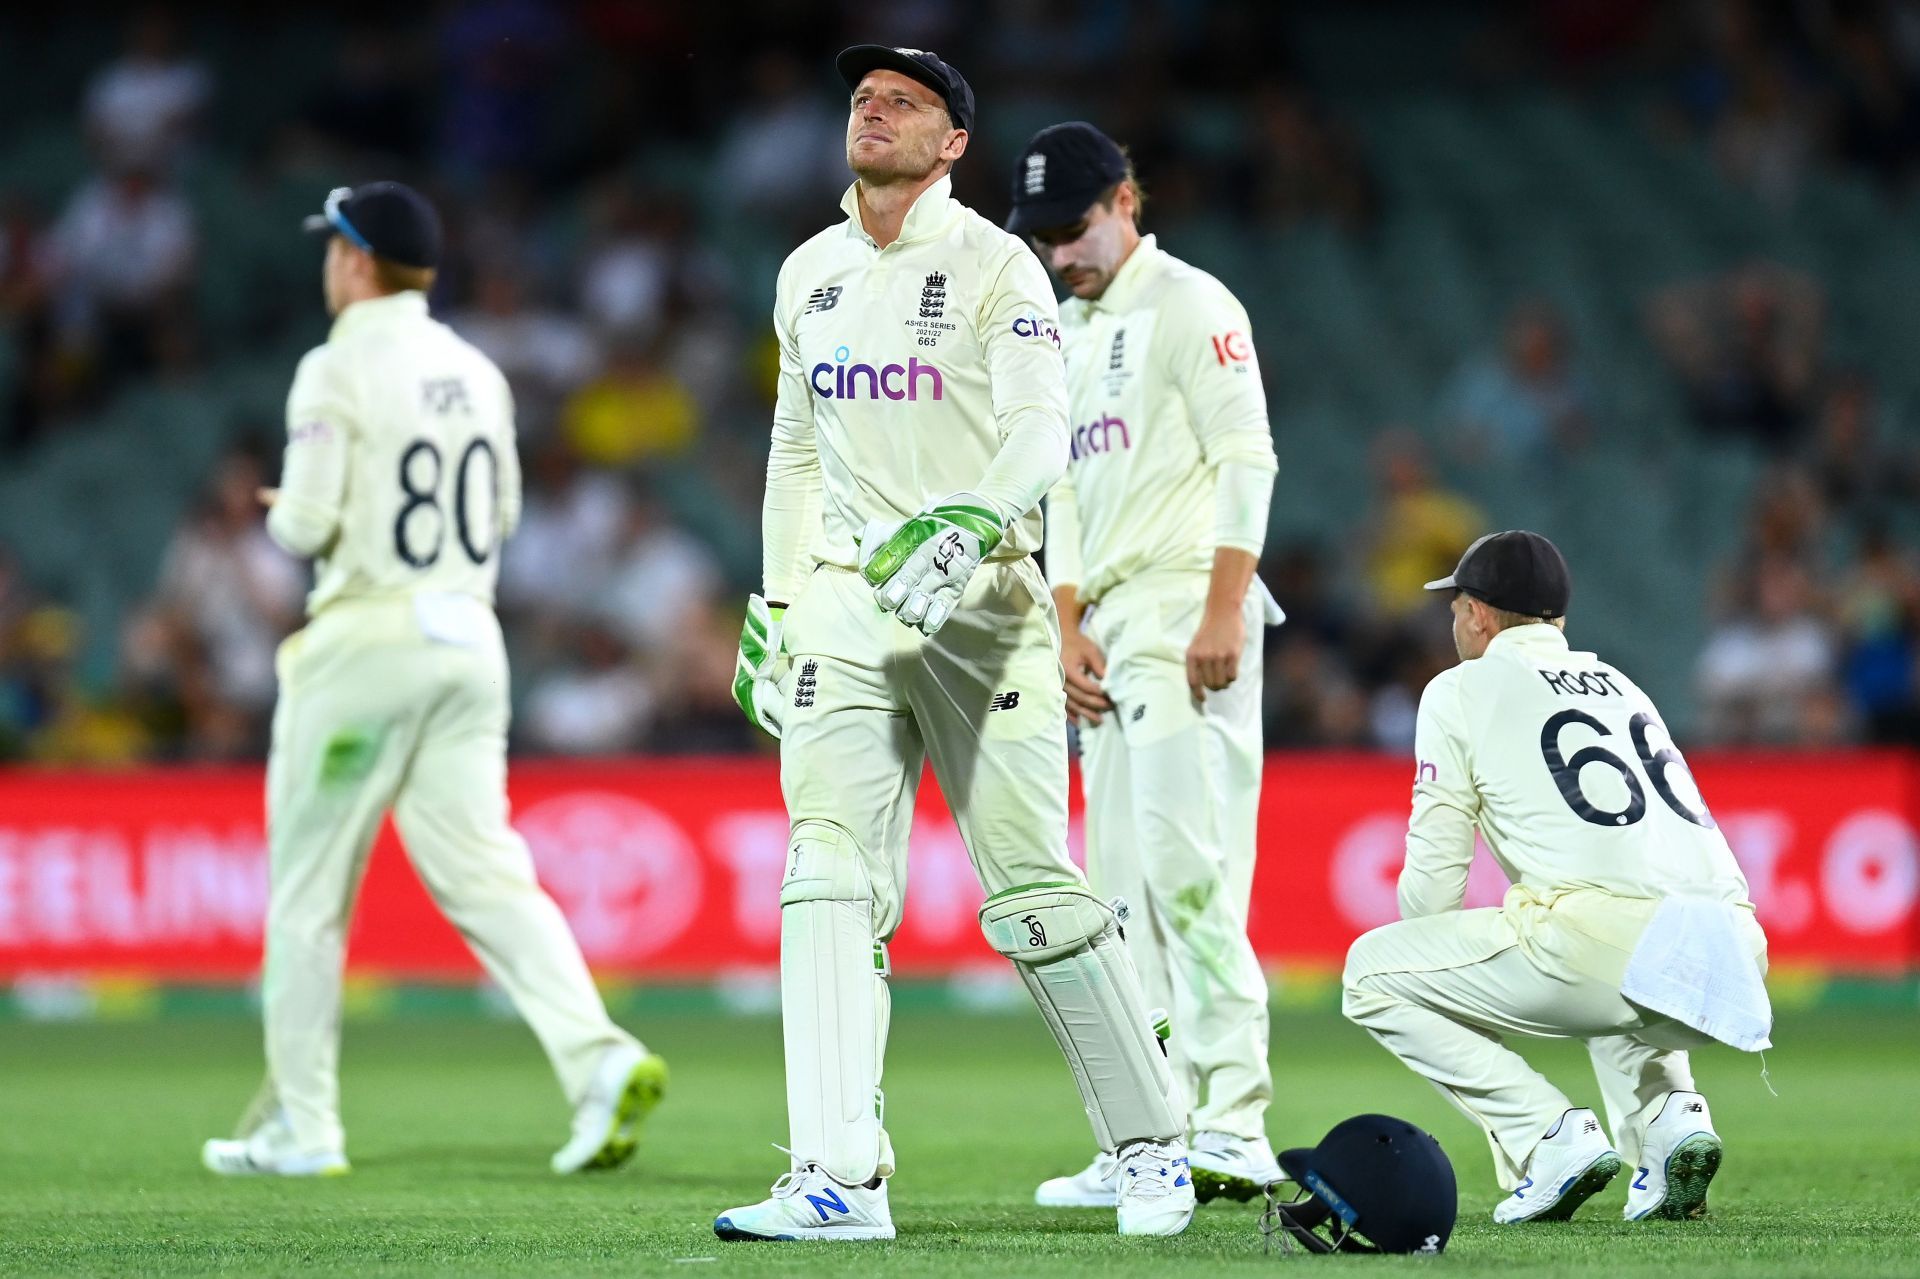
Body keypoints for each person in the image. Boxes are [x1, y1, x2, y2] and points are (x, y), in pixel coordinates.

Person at [721, 47, 1193, 1242]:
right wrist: (778, 601)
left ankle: (1151, 1148)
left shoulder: (996, 266)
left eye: (907, 102)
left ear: (953, 145)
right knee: (825, 873)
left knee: (1033, 893)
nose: (873, 110)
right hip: (847, 598)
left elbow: (1045, 428)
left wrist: (974, 520)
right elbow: (794, 453)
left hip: (978, 601)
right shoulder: (809, 272)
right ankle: (837, 1177)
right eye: (862, 97)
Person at [201, 182, 665, 1178]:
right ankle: (598, 1059)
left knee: (309, 892)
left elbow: (304, 527)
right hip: (468, 638)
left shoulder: (334, 365)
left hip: (370, 640)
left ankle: (305, 1126)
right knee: (485, 872)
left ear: (357, 260)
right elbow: (498, 517)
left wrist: (290, 504)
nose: (329, 262)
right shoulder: (476, 368)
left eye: (334, 246)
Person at [1004, 121, 1283, 1205]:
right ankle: (1147, 1131)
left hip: (1185, 607)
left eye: (1073, 229)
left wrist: (1220, 610)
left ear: (1126, 200)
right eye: (1041, 238)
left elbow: (1245, 458)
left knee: (1189, 872)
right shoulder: (1064, 338)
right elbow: (1062, 498)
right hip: (1107, 626)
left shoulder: (1193, 305)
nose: (1058, 254)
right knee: (1114, 896)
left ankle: (1237, 1120)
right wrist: (1066, 623)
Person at [1342, 531, 1771, 1224]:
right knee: (1615, 946)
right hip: (1734, 946)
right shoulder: (1623, 683)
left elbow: (1433, 883)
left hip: (1607, 943)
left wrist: (1438, 966)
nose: (1452, 621)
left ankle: (1547, 1138)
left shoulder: (1459, 688)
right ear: (1558, 621)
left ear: (1478, 613)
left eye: (1455, 606)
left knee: (1369, 973)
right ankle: (1671, 1123)